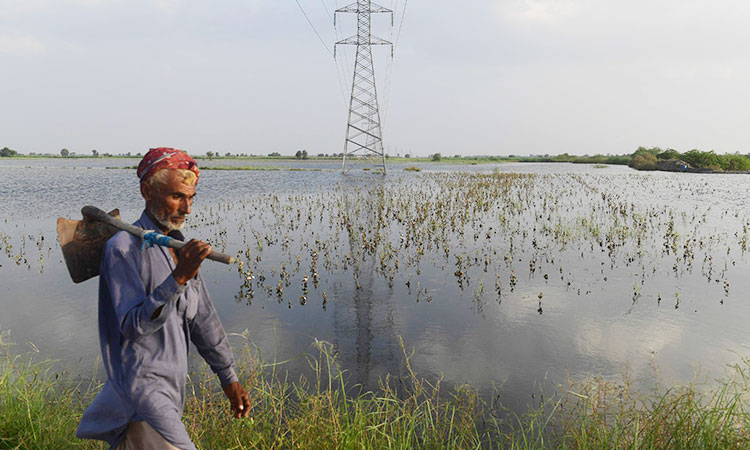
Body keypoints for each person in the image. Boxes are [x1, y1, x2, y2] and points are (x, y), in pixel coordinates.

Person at [77, 147, 250, 449]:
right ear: (147, 191)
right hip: (141, 394)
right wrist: (178, 278)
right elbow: (132, 327)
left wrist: (229, 378)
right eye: (176, 196)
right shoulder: (122, 249)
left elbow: (204, 321)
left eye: (191, 197)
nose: (187, 208)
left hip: (170, 391)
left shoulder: (179, 248)